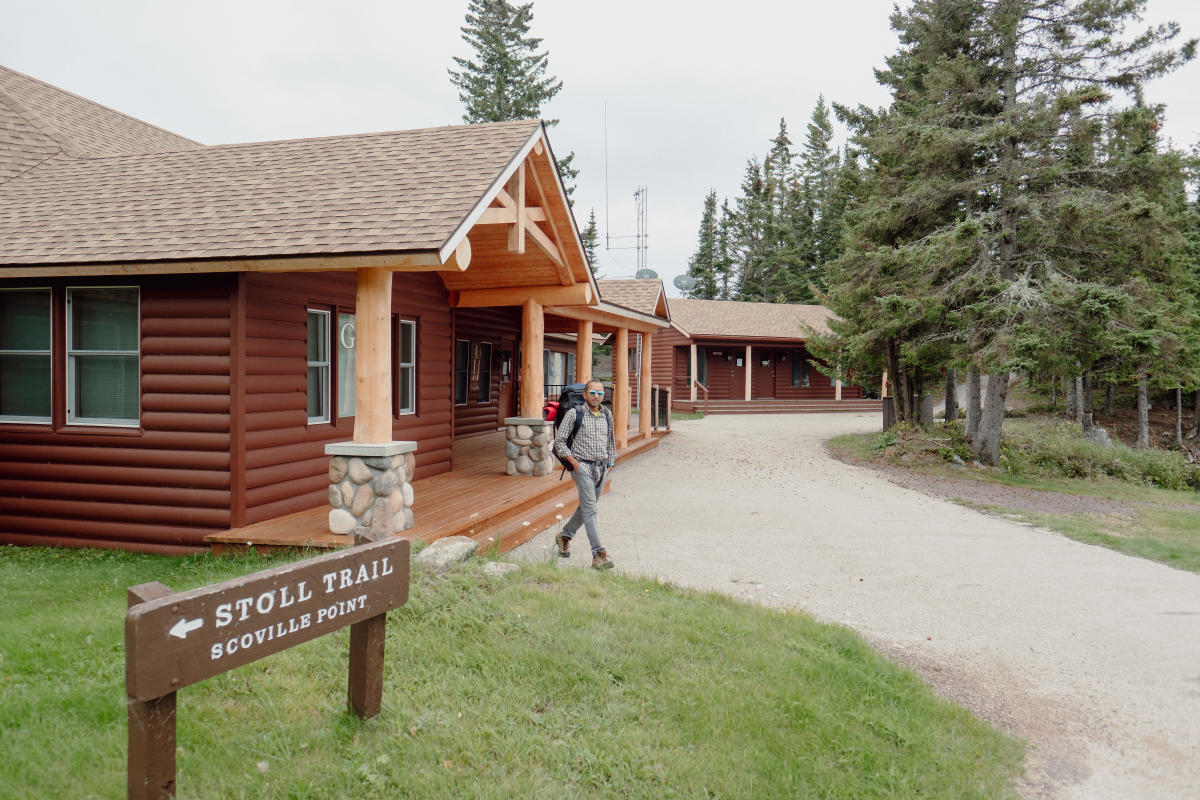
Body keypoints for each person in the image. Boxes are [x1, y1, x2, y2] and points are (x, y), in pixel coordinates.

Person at [552, 378, 616, 569]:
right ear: (585, 394)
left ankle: (564, 536)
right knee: (591, 510)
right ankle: (598, 554)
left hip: (601, 468)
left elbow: (611, 439)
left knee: (587, 507)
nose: (596, 396)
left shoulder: (607, 414)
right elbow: (559, 441)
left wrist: (611, 461)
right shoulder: (575, 413)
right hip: (582, 468)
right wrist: (574, 463)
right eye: (593, 392)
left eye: (600, 393)